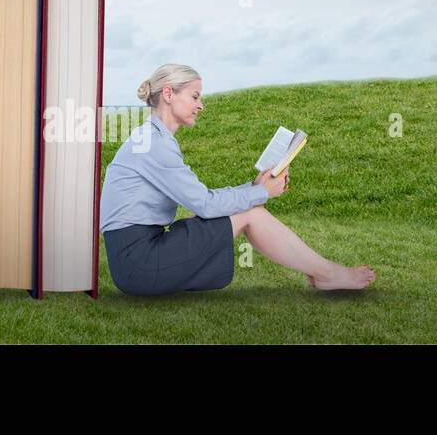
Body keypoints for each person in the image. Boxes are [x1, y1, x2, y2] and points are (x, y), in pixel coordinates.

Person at [99, 64, 377, 296]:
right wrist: (261, 193)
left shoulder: (151, 138)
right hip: (139, 262)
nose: (201, 105)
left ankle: (324, 273)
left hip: (140, 254)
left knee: (249, 210)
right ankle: (328, 274)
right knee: (251, 214)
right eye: (195, 97)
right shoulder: (153, 143)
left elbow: (203, 202)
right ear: (169, 94)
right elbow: (206, 205)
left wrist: (255, 189)